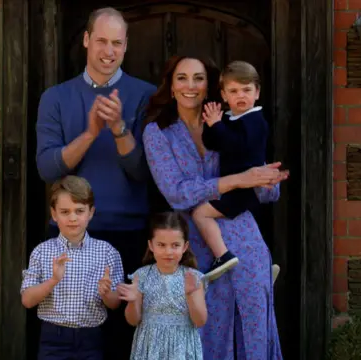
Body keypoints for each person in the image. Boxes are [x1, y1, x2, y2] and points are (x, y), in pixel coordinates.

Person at [142, 55, 288, 360]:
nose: (190, 86)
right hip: (195, 245)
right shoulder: (157, 133)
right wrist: (238, 180)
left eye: (198, 78)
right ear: (171, 86)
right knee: (204, 334)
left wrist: (266, 181)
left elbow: (259, 180)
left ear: (210, 87)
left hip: (244, 238)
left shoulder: (232, 119)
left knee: (253, 327)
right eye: (182, 78)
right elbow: (177, 193)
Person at [35, 7, 156, 359]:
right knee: (71, 337)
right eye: (101, 40)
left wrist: (119, 129)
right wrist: (90, 133)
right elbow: (47, 168)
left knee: (121, 340)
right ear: (86, 40)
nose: (109, 51)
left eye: (117, 43)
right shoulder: (55, 97)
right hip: (70, 236)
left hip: (129, 234)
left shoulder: (146, 96)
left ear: (126, 46)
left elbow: (145, 172)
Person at [20, 176, 124, 360]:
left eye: (79, 211)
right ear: (54, 214)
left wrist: (107, 293)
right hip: (53, 338)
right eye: (65, 211)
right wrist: (53, 281)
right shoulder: (42, 251)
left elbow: (115, 303)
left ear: (91, 212)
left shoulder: (107, 252)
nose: (73, 218)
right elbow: (27, 300)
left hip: (91, 338)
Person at [192, 60, 270, 281]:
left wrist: (218, 125)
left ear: (257, 92)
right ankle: (259, 268)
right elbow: (213, 143)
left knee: (200, 213)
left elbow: (237, 147)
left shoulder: (256, 120)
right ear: (224, 96)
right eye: (233, 91)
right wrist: (210, 124)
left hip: (244, 189)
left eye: (246, 90)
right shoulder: (231, 118)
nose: (241, 96)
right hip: (233, 187)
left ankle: (222, 256)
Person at [118, 212, 206, 360]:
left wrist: (190, 295)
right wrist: (132, 301)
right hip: (149, 347)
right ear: (151, 245)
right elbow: (133, 320)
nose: (168, 252)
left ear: (185, 247)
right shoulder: (142, 276)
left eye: (175, 245)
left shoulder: (193, 278)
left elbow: (200, 321)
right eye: (161, 245)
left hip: (182, 348)